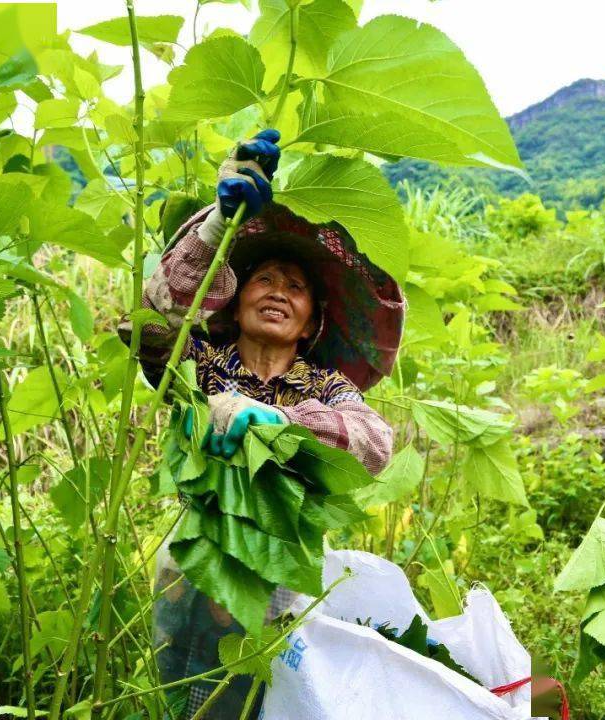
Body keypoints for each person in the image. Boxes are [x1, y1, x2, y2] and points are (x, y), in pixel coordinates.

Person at [133, 129, 404, 719]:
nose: (278, 291)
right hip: (191, 565)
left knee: (269, 696)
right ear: (233, 302)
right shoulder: (202, 365)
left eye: (296, 286)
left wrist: (276, 421)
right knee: (184, 695)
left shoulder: (321, 386)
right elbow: (152, 331)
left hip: (283, 573)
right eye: (264, 280)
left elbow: (374, 443)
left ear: (310, 324)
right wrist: (213, 229)